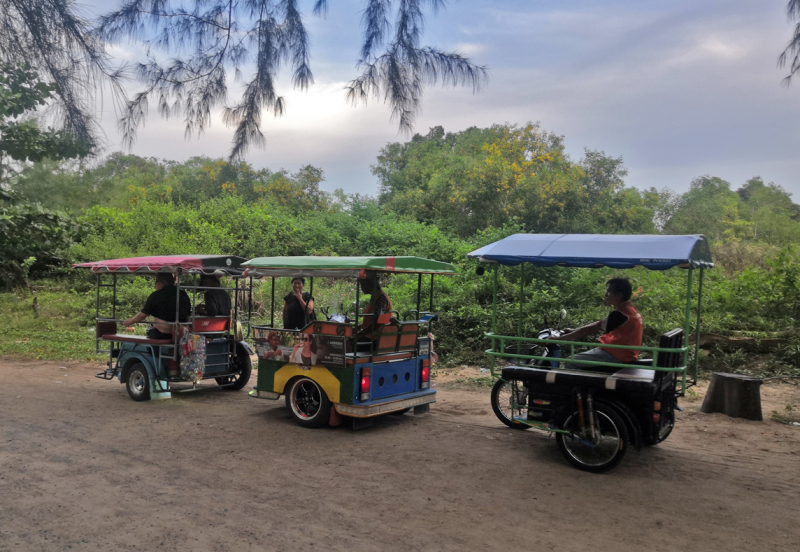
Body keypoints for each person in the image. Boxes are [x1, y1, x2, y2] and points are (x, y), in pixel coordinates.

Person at [551, 277, 643, 373]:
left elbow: (591, 329)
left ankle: (575, 388)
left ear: (619, 295)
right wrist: (573, 330)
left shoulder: (620, 314)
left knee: (570, 361)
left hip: (616, 355)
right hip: (622, 353)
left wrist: (559, 339)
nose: (606, 295)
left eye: (609, 292)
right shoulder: (629, 310)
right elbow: (599, 324)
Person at [123, 273, 191, 339]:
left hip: (163, 333)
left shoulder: (157, 295)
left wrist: (131, 320)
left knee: (150, 329)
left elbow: (143, 314)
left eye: (156, 282)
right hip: (182, 333)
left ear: (163, 282)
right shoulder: (183, 294)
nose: (155, 285)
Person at [359, 272, 392, 340]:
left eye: (363, 285)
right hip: (370, 334)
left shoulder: (381, 298)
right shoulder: (375, 296)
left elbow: (377, 320)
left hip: (375, 337)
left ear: (370, 285)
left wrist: (362, 332)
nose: (361, 288)